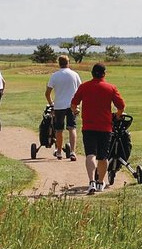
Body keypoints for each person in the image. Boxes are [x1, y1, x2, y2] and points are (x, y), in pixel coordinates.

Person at [71, 63, 125, 195]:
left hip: (89, 126)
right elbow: (121, 106)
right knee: (103, 156)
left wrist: (75, 111)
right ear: (104, 73)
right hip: (105, 126)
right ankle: (100, 182)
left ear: (92, 73)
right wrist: (117, 116)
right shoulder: (110, 88)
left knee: (90, 154)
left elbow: (74, 104)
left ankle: (91, 182)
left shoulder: (84, 87)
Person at [45, 55, 82, 161]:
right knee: (72, 128)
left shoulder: (55, 76)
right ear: (68, 62)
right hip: (72, 105)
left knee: (59, 130)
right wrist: (78, 105)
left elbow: (47, 93)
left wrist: (51, 103)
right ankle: (72, 152)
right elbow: (80, 90)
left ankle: (59, 152)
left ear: (59, 63)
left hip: (59, 105)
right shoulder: (75, 75)